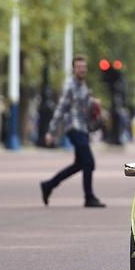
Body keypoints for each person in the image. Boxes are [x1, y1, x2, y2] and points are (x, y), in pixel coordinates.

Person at [40, 55, 106, 208]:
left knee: (79, 164)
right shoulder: (70, 86)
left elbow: (84, 107)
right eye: (79, 67)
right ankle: (89, 197)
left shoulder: (83, 86)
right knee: (89, 162)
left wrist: (94, 102)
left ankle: (48, 185)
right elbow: (61, 109)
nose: (82, 69)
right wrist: (51, 131)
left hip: (82, 128)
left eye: (84, 67)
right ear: (73, 69)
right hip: (73, 127)